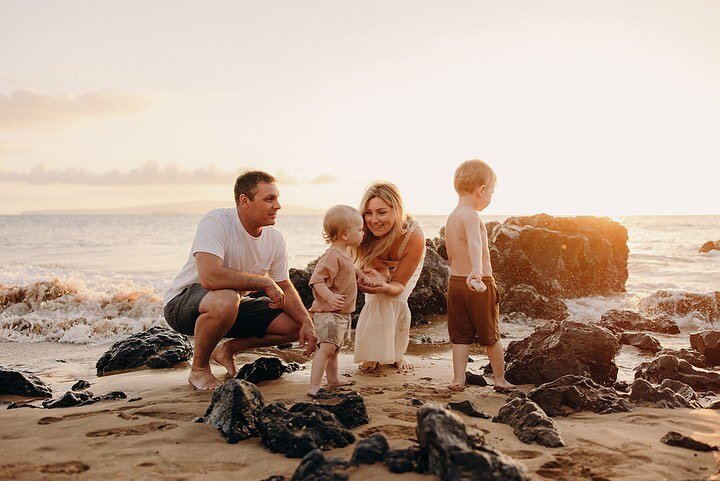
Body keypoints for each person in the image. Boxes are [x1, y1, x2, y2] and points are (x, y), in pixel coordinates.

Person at [163, 171, 317, 390]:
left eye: (277, 198)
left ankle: (227, 349)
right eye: (269, 199)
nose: (278, 206)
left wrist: (307, 323)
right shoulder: (217, 221)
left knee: (296, 323)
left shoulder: (275, 239)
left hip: (230, 306)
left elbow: (284, 285)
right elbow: (209, 277)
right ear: (244, 201)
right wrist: (264, 282)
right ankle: (199, 370)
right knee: (227, 298)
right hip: (182, 305)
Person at [444, 159, 513, 392]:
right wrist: (477, 270)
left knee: (461, 337)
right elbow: (474, 244)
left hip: (455, 283)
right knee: (491, 335)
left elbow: (451, 254)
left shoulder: (451, 217)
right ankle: (500, 379)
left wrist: (463, 273)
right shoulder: (471, 216)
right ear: (481, 190)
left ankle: (458, 379)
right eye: (492, 191)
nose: (491, 196)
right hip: (478, 282)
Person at [352, 182, 426, 373]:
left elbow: (398, 284)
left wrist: (386, 287)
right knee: (375, 300)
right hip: (379, 267)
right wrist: (378, 280)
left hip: (406, 263)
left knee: (397, 299)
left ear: (397, 210)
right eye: (368, 212)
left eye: (381, 212)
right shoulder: (365, 234)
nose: (374, 220)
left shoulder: (413, 237)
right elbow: (381, 272)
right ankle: (372, 353)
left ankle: (397, 353)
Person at [307, 205, 365, 396]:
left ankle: (333, 380)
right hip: (328, 313)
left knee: (334, 349)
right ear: (346, 234)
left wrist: (359, 274)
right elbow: (316, 280)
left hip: (339, 314)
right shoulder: (332, 255)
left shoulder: (343, 254)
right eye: (360, 229)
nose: (363, 233)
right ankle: (314, 385)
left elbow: (346, 271)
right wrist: (330, 297)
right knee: (327, 348)